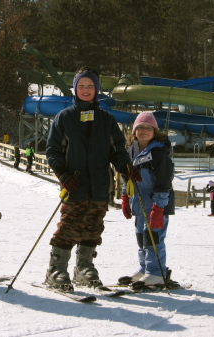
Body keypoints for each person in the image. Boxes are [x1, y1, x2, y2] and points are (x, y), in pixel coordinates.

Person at [44, 66, 140, 290]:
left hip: (99, 185)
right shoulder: (65, 118)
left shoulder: (106, 119)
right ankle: (56, 269)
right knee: (69, 227)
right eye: (81, 86)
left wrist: (125, 167)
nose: (85, 90)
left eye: (90, 86)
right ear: (75, 89)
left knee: (93, 227)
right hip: (75, 184)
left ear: (96, 90)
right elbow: (52, 151)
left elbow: (117, 149)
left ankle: (84, 267)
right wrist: (63, 174)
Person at [119, 112, 175, 286]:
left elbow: (164, 181)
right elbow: (126, 178)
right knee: (141, 237)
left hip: (155, 204)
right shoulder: (130, 152)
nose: (144, 131)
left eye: (148, 128)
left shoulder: (158, 154)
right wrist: (125, 197)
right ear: (134, 130)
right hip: (139, 203)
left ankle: (156, 273)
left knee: (153, 238)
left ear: (154, 131)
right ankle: (145, 269)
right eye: (140, 127)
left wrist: (158, 208)